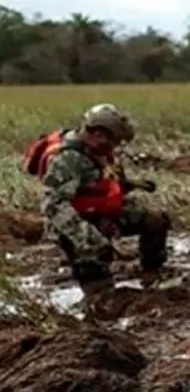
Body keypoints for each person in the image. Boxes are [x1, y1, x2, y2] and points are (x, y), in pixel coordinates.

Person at [24, 103, 169, 311]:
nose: (116, 147)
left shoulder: (100, 151)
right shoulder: (68, 159)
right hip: (73, 224)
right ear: (99, 134)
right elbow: (53, 205)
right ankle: (96, 305)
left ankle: (152, 273)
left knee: (155, 219)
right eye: (115, 141)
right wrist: (89, 238)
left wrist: (132, 185)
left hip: (100, 212)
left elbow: (102, 183)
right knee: (99, 284)